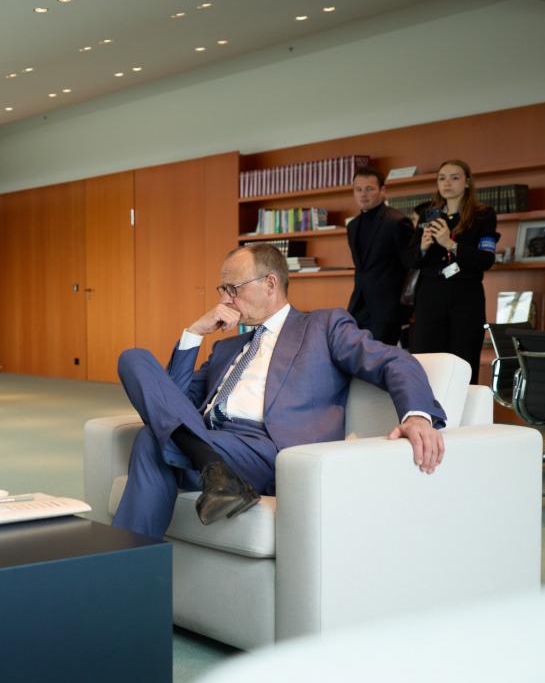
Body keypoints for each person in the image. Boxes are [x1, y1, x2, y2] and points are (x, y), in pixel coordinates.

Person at [113, 244, 446, 539]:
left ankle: (124, 571)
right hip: (211, 439)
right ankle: (212, 469)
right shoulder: (226, 348)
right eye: (222, 290)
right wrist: (194, 333)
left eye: (233, 289)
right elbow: (170, 402)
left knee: (151, 440)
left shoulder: (323, 326)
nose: (224, 300)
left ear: (270, 284)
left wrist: (417, 416)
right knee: (134, 359)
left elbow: (393, 361)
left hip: (268, 449)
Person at [402, 159, 498, 384]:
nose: (447, 183)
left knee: (463, 359)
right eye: (442, 178)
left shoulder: (483, 215)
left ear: (467, 182)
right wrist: (423, 247)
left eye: (455, 178)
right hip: (430, 295)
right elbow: (409, 259)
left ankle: (462, 406)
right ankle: (425, 405)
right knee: (426, 359)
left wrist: (450, 244)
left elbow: (486, 260)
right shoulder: (428, 214)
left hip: (465, 296)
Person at [346, 166, 415, 345]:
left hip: (387, 308)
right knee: (356, 356)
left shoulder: (397, 221)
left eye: (369, 188)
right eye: (358, 189)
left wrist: (405, 308)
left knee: (380, 358)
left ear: (383, 190)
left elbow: (411, 264)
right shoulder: (352, 226)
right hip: (358, 305)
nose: (363, 194)